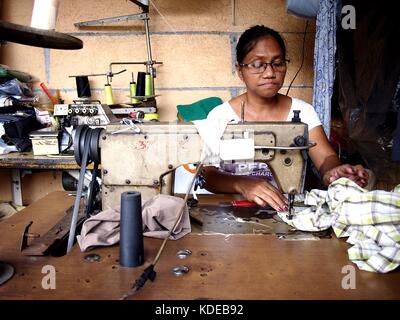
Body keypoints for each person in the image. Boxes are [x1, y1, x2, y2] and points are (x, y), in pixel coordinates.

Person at [202, 25, 369, 212]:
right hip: (231, 213)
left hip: (284, 210)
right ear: (240, 70)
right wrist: (244, 184)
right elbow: (207, 175)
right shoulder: (220, 116)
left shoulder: (303, 112)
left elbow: (326, 158)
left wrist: (334, 172)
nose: (270, 73)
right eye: (257, 64)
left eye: (278, 63)